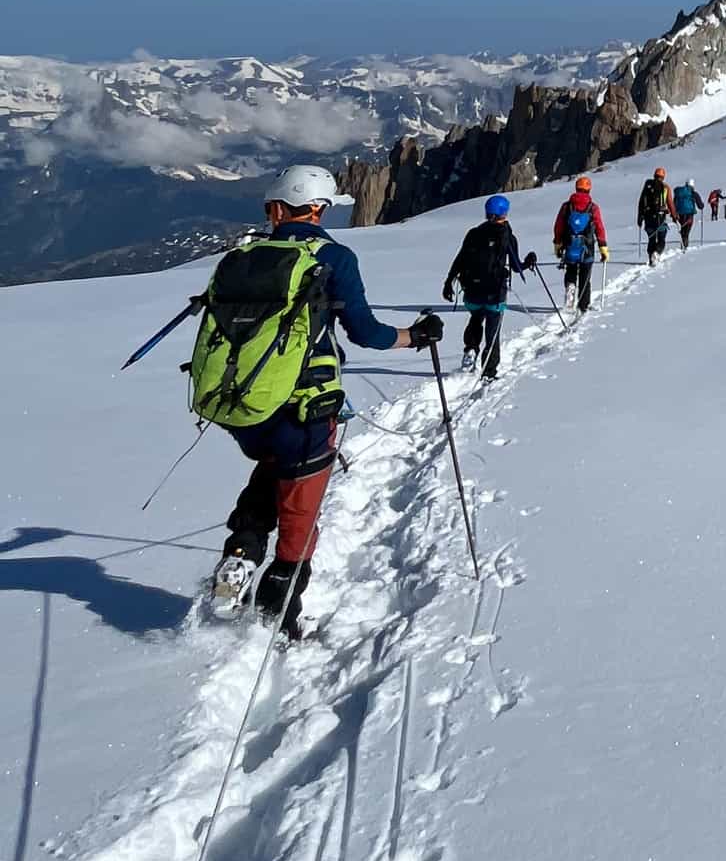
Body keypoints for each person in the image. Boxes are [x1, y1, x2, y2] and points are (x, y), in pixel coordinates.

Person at [199, 165, 440, 638]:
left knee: (270, 470)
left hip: (245, 407)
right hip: (306, 407)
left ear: (275, 208)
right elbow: (366, 333)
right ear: (318, 208)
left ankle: (241, 552)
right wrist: (415, 336)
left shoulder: (242, 256)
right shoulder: (334, 258)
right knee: (300, 509)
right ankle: (278, 615)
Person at [442, 194, 536, 381]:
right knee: (493, 331)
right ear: (504, 213)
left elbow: (460, 259)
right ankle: (489, 372)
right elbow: (517, 267)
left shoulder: (474, 233)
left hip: (472, 292)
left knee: (476, 318)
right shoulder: (507, 236)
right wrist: (529, 261)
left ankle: (470, 349)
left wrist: (448, 282)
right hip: (495, 294)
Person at [553, 175, 609, 311]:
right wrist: (603, 247)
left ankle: (570, 288)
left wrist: (558, 244)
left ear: (576, 188)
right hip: (587, 248)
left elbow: (559, 226)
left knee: (571, 271)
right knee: (585, 276)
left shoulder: (567, 206)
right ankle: (583, 305)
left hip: (570, 245)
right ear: (589, 190)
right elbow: (599, 228)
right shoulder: (593, 208)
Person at [638, 168, 671, 264]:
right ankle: (656, 253)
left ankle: (651, 258)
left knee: (651, 238)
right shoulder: (665, 187)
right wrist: (674, 215)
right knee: (661, 239)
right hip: (660, 218)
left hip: (648, 218)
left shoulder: (647, 186)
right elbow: (670, 203)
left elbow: (641, 202)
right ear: (663, 177)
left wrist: (640, 217)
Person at [674, 178, 701, 250]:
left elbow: (674, 202)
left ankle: (683, 243)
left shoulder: (679, 192)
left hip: (680, 214)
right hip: (689, 214)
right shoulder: (693, 193)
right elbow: (700, 205)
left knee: (683, 228)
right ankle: (685, 245)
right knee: (687, 231)